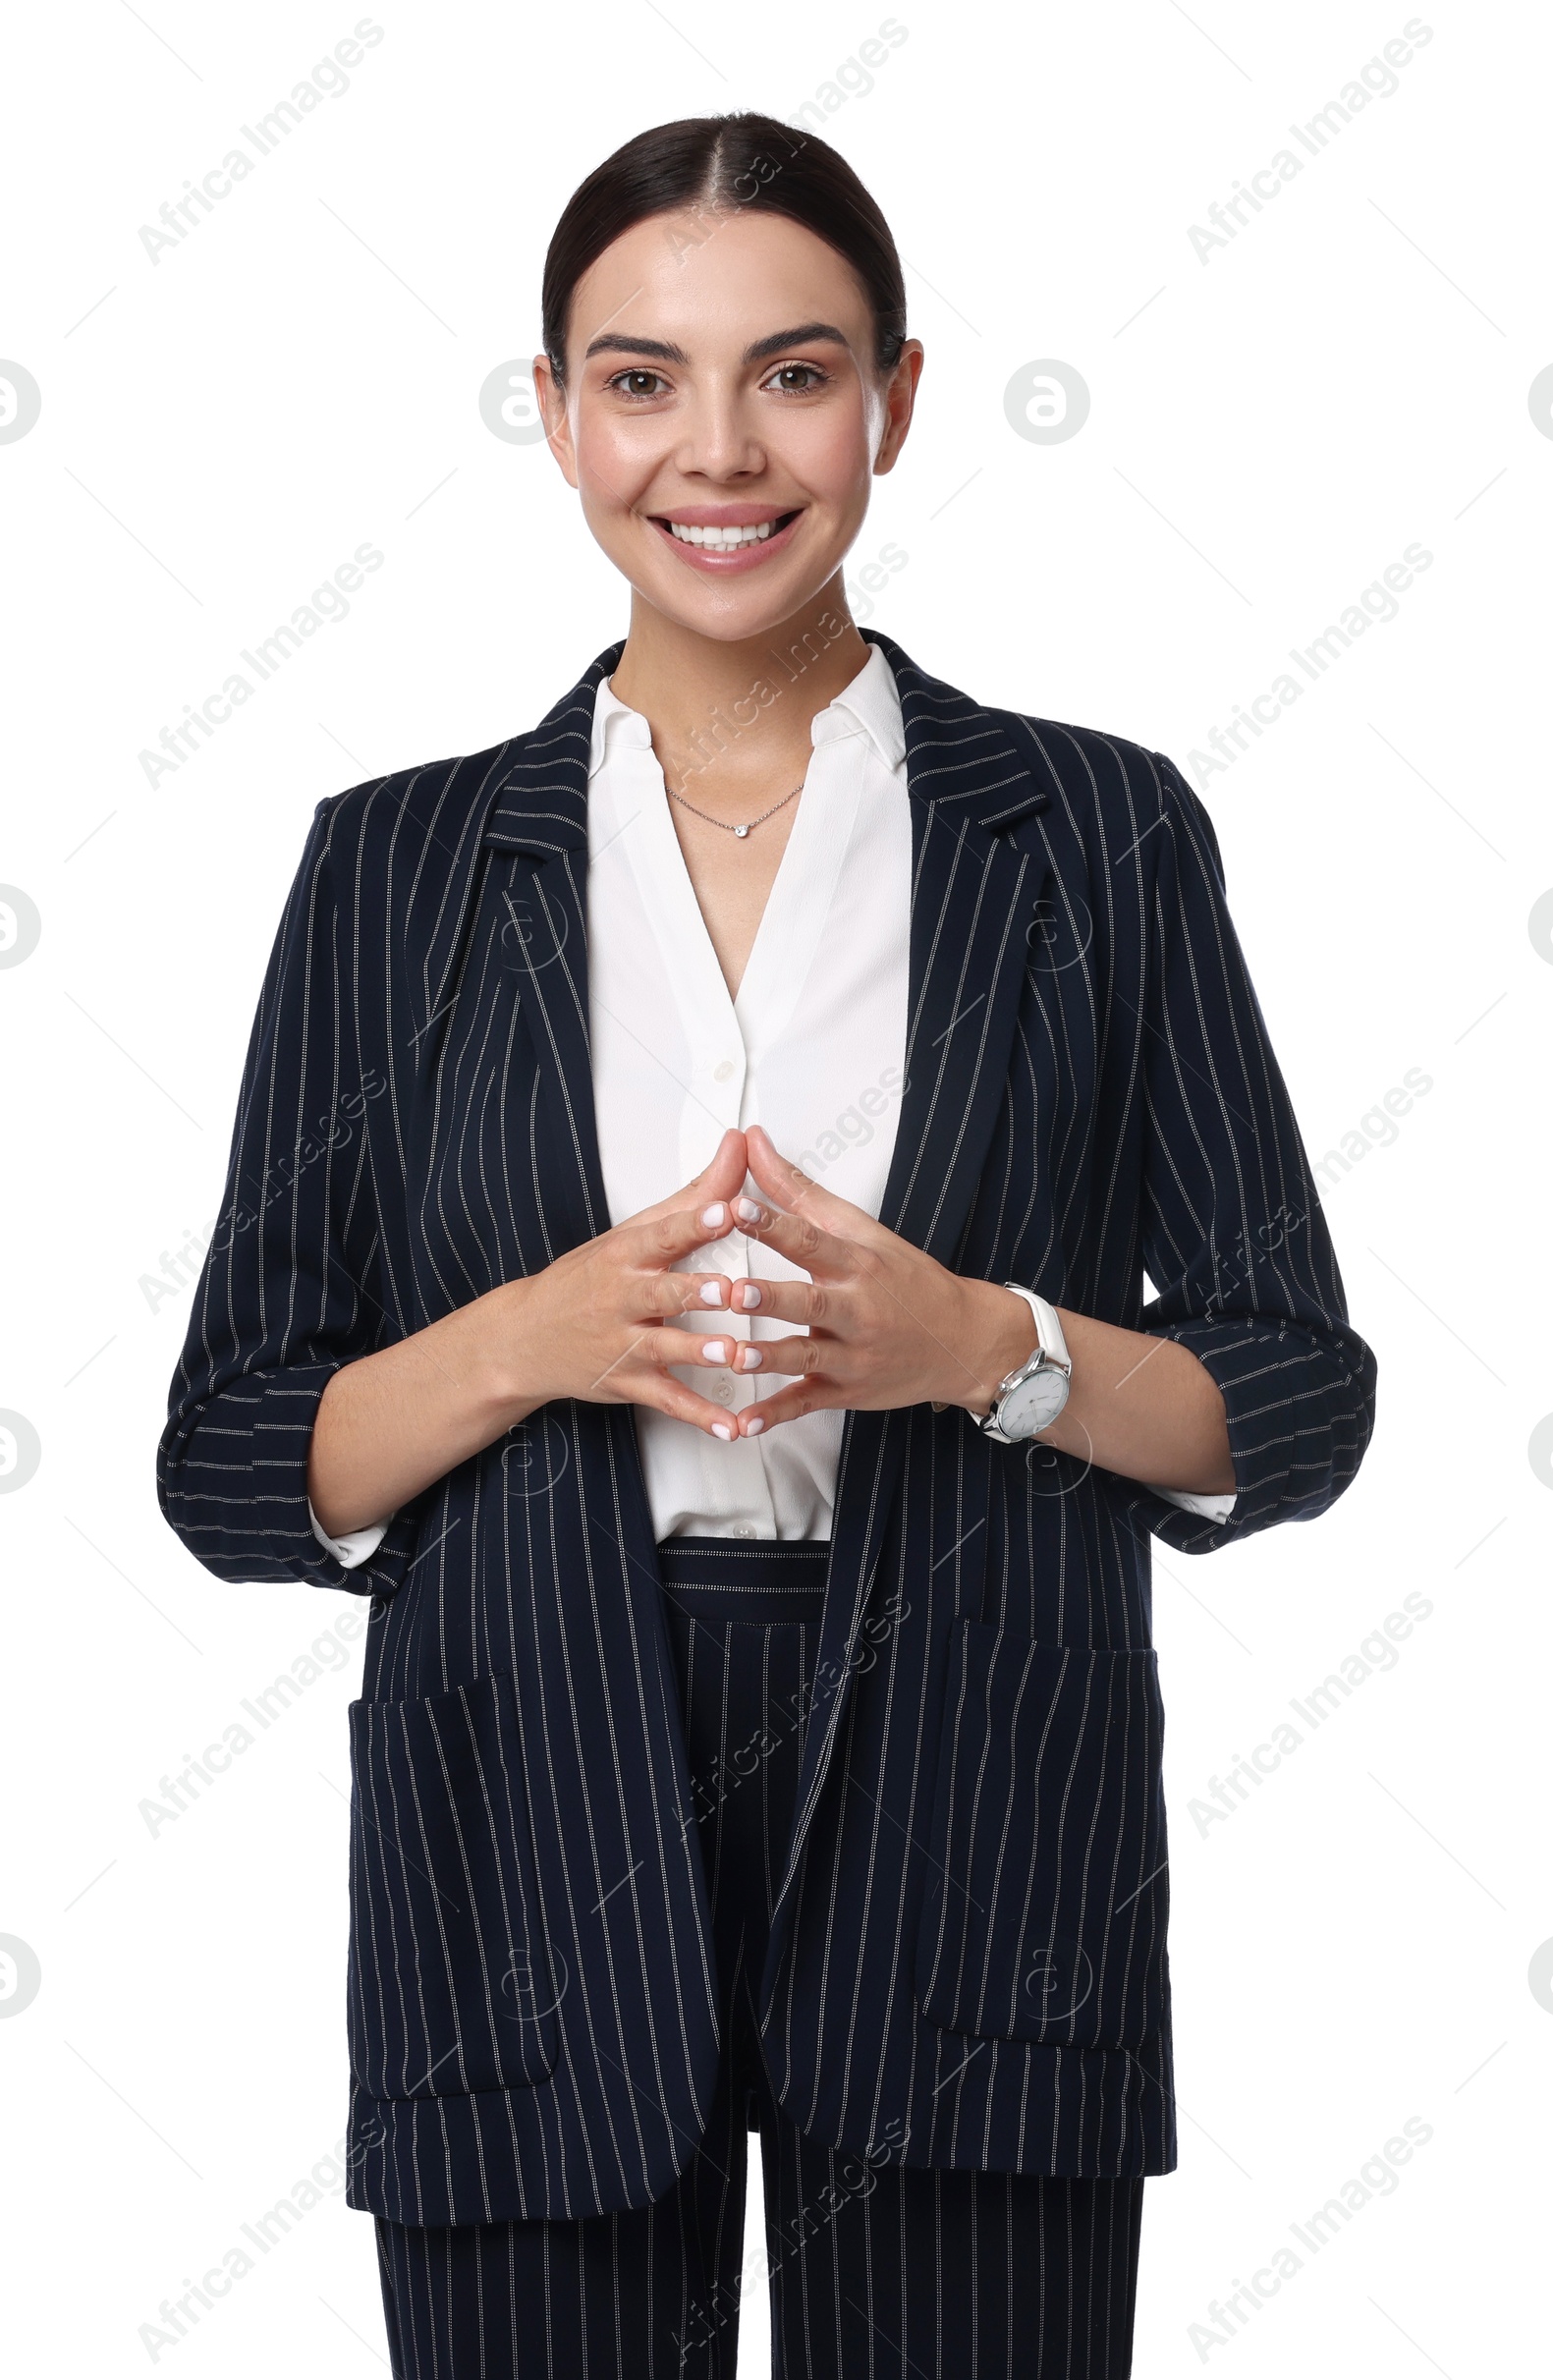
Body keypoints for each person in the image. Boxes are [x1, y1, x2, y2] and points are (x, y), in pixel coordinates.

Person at [158, 110, 1376, 2380]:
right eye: (637, 380)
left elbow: (1294, 1395)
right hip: (521, 1821)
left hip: (976, 1820)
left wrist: (982, 1347)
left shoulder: (1091, 835)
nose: (713, 449)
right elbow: (234, 1456)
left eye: (789, 374)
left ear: (895, 399)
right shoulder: (395, 870)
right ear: (551, 412)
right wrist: (525, 1336)